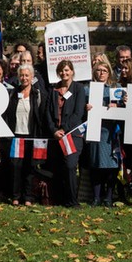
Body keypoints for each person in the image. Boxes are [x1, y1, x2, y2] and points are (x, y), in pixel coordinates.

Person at [45, 59, 87, 207]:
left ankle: (72, 200)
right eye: (61, 70)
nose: (64, 73)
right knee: (57, 168)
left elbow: (78, 113)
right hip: (56, 135)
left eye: (67, 70)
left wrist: (64, 129)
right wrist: (54, 130)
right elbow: (47, 113)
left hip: (72, 135)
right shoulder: (53, 90)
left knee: (70, 166)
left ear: (72, 72)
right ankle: (58, 198)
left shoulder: (78, 89)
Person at [3, 63, 47, 206]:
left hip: (32, 135)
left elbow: (41, 114)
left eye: (27, 75)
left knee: (30, 167)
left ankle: (29, 197)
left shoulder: (37, 93)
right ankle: (16, 196)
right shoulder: (13, 93)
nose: (24, 78)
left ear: (32, 77)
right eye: (21, 75)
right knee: (16, 167)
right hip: (16, 135)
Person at [83, 60, 120, 207]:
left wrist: (119, 104)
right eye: (98, 70)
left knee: (112, 165)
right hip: (94, 131)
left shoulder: (116, 88)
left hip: (111, 132)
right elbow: (80, 108)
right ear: (94, 72)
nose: (101, 73)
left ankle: (109, 197)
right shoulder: (87, 89)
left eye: (104, 70)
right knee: (96, 164)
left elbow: (126, 106)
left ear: (109, 72)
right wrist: (85, 107)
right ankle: (96, 197)